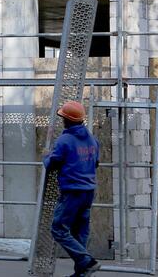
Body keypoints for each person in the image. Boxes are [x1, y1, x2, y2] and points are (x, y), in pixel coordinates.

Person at [44, 100, 101, 277]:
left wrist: (46, 157)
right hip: (88, 191)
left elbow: (52, 164)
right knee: (80, 231)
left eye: (63, 118)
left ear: (66, 120)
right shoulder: (92, 139)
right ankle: (82, 273)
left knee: (58, 229)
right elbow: (96, 163)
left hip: (72, 192)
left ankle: (87, 261)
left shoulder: (65, 140)